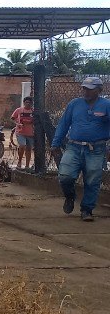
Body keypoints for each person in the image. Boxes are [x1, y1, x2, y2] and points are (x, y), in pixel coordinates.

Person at [52, 77, 110, 222]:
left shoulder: (106, 105)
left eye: (90, 89)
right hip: (74, 146)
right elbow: (63, 124)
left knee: (92, 180)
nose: (86, 91)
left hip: (96, 149)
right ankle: (70, 196)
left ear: (99, 90)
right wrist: (55, 143)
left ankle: (87, 210)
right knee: (65, 176)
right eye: (84, 88)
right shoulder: (74, 104)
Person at [11, 96, 35, 170]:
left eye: (29, 102)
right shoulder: (19, 110)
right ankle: (19, 161)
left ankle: (27, 165)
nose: (28, 104)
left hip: (30, 133)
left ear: (32, 103)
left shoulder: (33, 111)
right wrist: (17, 124)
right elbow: (12, 118)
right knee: (22, 145)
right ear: (24, 103)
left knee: (29, 149)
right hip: (20, 132)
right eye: (26, 102)